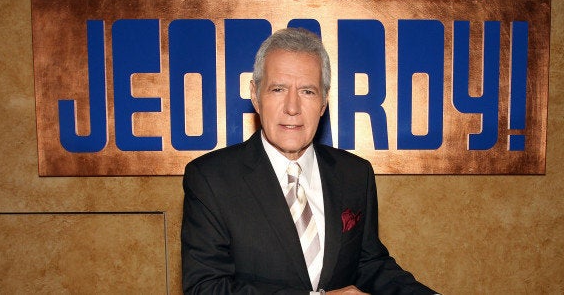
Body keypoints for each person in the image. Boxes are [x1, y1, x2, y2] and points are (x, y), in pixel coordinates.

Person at [181, 28, 436, 294]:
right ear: (255, 96)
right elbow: (205, 287)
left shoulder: (355, 174)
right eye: (278, 89)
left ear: (324, 101)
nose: (292, 107)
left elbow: (368, 263)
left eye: (307, 91)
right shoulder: (210, 179)